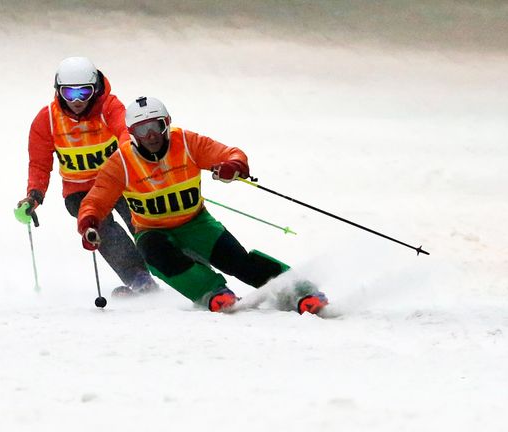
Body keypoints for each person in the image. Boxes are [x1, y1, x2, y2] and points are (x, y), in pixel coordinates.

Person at [76, 96, 328, 313]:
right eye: (142, 130)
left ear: (167, 124)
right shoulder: (121, 162)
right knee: (158, 258)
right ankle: (212, 292)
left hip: (196, 223)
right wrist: (89, 223)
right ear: (132, 134)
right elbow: (96, 201)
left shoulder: (186, 142)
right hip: (152, 231)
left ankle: (300, 292)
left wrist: (234, 167)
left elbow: (230, 153)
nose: (151, 135)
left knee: (237, 261)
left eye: (156, 126)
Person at [17, 57, 159, 296]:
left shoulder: (109, 107)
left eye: (84, 92)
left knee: (143, 221)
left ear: (96, 89)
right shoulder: (47, 121)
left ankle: (174, 267)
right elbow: (40, 165)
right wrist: (34, 197)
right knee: (100, 229)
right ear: (58, 92)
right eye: (69, 93)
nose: (77, 101)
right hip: (80, 191)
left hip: (119, 181)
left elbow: (126, 133)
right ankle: (139, 278)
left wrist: (135, 158)